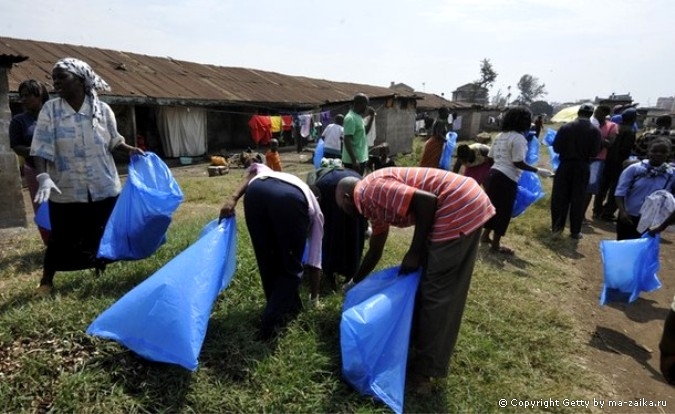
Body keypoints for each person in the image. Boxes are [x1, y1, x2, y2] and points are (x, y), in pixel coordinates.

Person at [335, 167, 495, 392]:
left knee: (436, 294)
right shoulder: (370, 204)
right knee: (422, 283)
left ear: (346, 197)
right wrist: (354, 283)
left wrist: (415, 251)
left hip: (457, 206)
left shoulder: (369, 191)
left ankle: (423, 374)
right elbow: (375, 249)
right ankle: (415, 348)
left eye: (341, 207)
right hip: (457, 202)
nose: (343, 212)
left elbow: (427, 202)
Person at [30, 57, 144, 297]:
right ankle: (47, 280)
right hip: (66, 186)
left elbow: (114, 140)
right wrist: (42, 175)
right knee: (60, 235)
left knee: (101, 231)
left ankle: (100, 271)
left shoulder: (102, 110)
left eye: (62, 76)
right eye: (54, 77)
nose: (56, 82)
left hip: (103, 184)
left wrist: (130, 150)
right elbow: (40, 147)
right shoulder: (51, 110)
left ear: (81, 80)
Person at [219, 161, 323, 339]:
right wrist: (314, 298)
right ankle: (269, 325)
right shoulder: (316, 211)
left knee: (267, 260)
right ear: (317, 199)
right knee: (291, 270)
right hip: (288, 201)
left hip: (255, 193)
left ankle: (285, 307)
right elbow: (314, 260)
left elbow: (253, 171)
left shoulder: (278, 174)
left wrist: (233, 198)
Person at [481, 107, 553, 254]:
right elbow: (517, 162)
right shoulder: (518, 138)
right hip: (505, 178)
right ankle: (495, 244)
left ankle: (485, 236)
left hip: (493, 175)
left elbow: (489, 158)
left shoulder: (500, 135)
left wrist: (499, 166)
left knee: (492, 207)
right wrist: (538, 171)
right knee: (504, 210)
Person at [310, 164, 367, 293]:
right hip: (347, 187)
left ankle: (331, 273)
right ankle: (350, 273)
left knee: (330, 232)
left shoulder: (320, 182)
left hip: (341, 189)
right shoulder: (325, 183)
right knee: (354, 232)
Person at [549, 103, 601, 239]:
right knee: (578, 198)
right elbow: (595, 152)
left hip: (565, 165)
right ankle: (575, 231)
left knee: (560, 197)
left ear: (578, 112)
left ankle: (557, 228)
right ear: (591, 115)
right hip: (583, 166)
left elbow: (556, 148)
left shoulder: (566, 127)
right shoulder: (595, 131)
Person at [9, 79, 51, 244]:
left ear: (39, 95)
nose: (23, 99)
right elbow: (16, 146)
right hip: (35, 170)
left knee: (62, 205)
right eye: (21, 96)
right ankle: (49, 243)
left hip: (58, 169)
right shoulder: (19, 121)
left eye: (27, 95)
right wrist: (38, 151)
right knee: (42, 207)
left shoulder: (52, 116)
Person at [615, 138, 675, 240]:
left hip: (652, 222)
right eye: (654, 151)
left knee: (642, 252)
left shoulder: (671, 175)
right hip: (629, 217)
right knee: (624, 248)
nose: (659, 154)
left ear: (668, 154)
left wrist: (662, 226)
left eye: (663, 152)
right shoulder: (634, 169)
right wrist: (622, 212)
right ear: (648, 152)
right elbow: (620, 192)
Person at [596, 108, 638, 221]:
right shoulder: (630, 131)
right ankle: (607, 212)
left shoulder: (615, 127)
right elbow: (625, 149)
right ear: (633, 118)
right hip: (619, 163)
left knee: (603, 187)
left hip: (607, 161)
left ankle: (597, 210)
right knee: (616, 188)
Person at [588, 106, 618, 220]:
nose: (595, 115)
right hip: (584, 157)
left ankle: (585, 214)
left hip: (598, 160)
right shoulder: (590, 123)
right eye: (595, 112)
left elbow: (610, 143)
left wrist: (596, 134)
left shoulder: (612, 126)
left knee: (590, 188)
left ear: (605, 114)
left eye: (598, 113)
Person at [342, 94, 375, 175]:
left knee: (358, 183)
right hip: (352, 161)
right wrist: (354, 160)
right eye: (366, 104)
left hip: (360, 158)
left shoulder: (358, 117)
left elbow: (365, 132)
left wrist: (372, 117)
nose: (367, 107)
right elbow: (347, 140)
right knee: (353, 185)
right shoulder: (350, 118)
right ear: (361, 104)